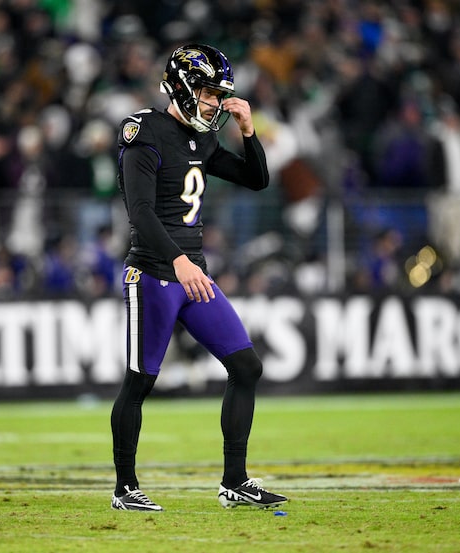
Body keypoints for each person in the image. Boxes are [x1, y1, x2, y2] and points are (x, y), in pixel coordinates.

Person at [109, 43, 288, 512]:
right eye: (208, 92)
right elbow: (141, 212)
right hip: (153, 272)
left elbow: (256, 180)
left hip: (192, 274)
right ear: (185, 89)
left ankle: (235, 480)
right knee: (140, 381)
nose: (214, 102)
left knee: (246, 366)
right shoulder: (144, 130)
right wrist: (178, 260)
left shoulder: (202, 139)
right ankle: (125, 488)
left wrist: (249, 133)